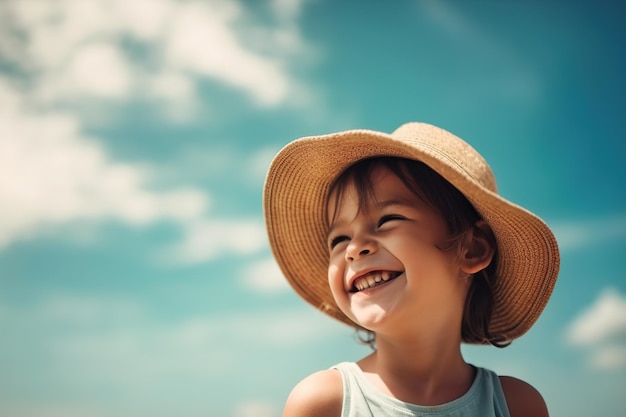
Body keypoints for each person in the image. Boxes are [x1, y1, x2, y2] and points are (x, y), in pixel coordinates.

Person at [263, 122, 560, 417]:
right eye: (339, 239)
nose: (354, 249)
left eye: (387, 220)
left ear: (473, 248)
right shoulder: (324, 403)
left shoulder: (516, 405)